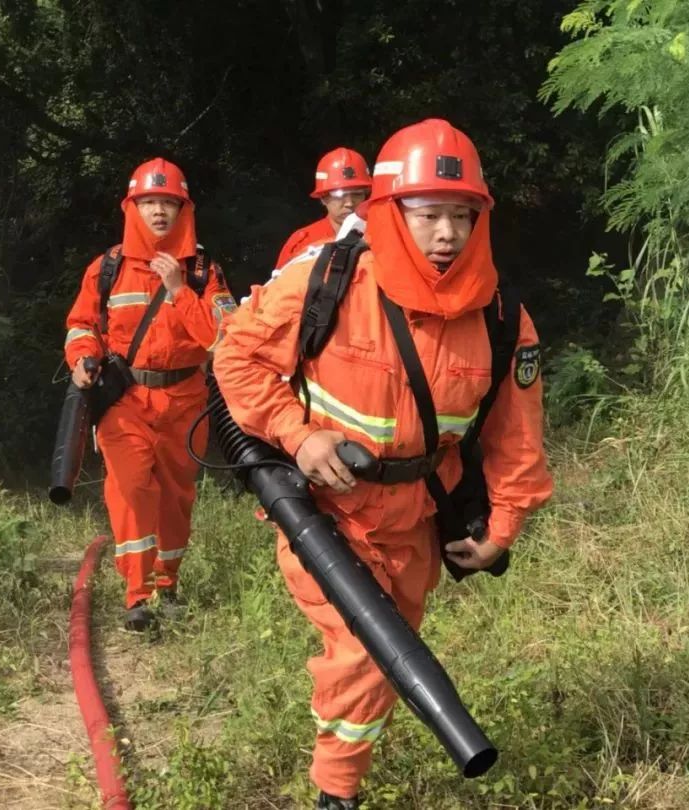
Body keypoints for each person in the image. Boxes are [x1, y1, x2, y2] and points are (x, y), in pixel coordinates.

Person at [214, 119, 552, 808]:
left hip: (420, 519)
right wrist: (296, 434)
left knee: (389, 654)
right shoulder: (327, 283)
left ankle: (345, 773)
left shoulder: (501, 316)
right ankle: (333, 795)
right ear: (392, 213)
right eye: (429, 215)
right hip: (326, 513)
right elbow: (235, 356)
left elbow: (518, 435)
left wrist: (505, 524)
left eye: (462, 215)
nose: (447, 234)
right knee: (366, 653)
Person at [64, 157, 236, 632]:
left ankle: (168, 584)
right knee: (132, 489)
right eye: (149, 203)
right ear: (132, 208)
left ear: (183, 209)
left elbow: (221, 336)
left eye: (167, 203)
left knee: (177, 496)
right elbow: (82, 324)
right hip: (125, 400)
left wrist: (178, 289)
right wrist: (81, 358)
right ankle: (136, 595)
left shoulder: (203, 271)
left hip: (186, 399)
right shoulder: (108, 268)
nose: (158, 212)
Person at [275, 147, 372, 268]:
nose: (350, 203)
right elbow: (281, 286)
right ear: (323, 198)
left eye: (357, 194)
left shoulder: (380, 235)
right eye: (339, 195)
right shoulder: (302, 243)